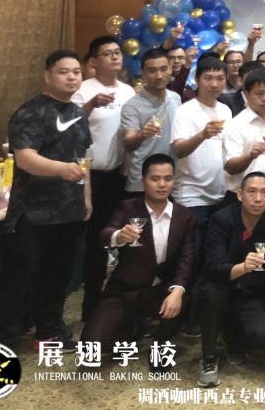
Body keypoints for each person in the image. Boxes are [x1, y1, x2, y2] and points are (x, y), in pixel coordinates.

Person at [0, 50, 92, 351]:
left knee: (57, 279)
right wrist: (61, 169)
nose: (72, 77)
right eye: (64, 72)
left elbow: (84, 159)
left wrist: (86, 198)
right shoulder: (31, 112)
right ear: (48, 76)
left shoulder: (78, 113)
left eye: (76, 72)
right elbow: (25, 159)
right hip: (33, 213)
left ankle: (48, 333)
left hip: (69, 212)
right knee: (17, 282)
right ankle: (3, 344)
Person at [80, 154, 195, 372]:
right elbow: (104, 235)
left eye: (168, 178)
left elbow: (186, 258)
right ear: (143, 181)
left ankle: (160, 344)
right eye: (155, 179)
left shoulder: (184, 215)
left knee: (184, 298)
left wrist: (178, 290)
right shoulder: (128, 208)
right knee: (90, 348)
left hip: (159, 289)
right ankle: (131, 330)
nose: (162, 184)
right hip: (124, 290)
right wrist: (119, 236)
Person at [198, 172, 265, 387]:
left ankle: (232, 338)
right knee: (211, 292)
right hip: (219, 287)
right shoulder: (221, 220)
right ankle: (208, 356)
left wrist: (251, 282)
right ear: (240, 194)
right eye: (252, 192)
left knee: (263, 336)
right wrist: (243, 268)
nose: (258, 198)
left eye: (264, 193)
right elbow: (213, 266)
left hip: (250, 292)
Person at [73, 36, 135, 320]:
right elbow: (69, 127)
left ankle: (111, 302)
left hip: (118, 176)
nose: (114, 57)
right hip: (87, 176)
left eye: (117, 52)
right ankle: (89, 303)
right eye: (107, 53)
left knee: (116, 240)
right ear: (94, 61)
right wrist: (90, 106)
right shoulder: (83, 90)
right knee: (92, 242)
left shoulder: (128, 92)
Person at [172, 56, 233, 272]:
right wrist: (202, 135)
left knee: (214, 255)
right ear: (197, 80)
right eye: (208, 78)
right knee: (191, 256)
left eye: (220, 78)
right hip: (191, 195)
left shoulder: (225, 110)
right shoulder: (185, 111)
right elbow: (179, 150)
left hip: (220, 193)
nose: (214, 84)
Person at [222, 68, 265, 206]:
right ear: (246, 94)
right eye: (259, 94)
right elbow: (230, 167)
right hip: (241, 199)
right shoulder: (236, 125)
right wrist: (250, 155)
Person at [121, 48, 181, 195]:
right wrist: (141, 135)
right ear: (143, 73)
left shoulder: (175, 98)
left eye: (163, 69)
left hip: (170, 178)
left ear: (170, 69)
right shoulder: (132, 105)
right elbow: (128, 143)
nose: (159, 76)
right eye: (152, 71)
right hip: (142, 182)